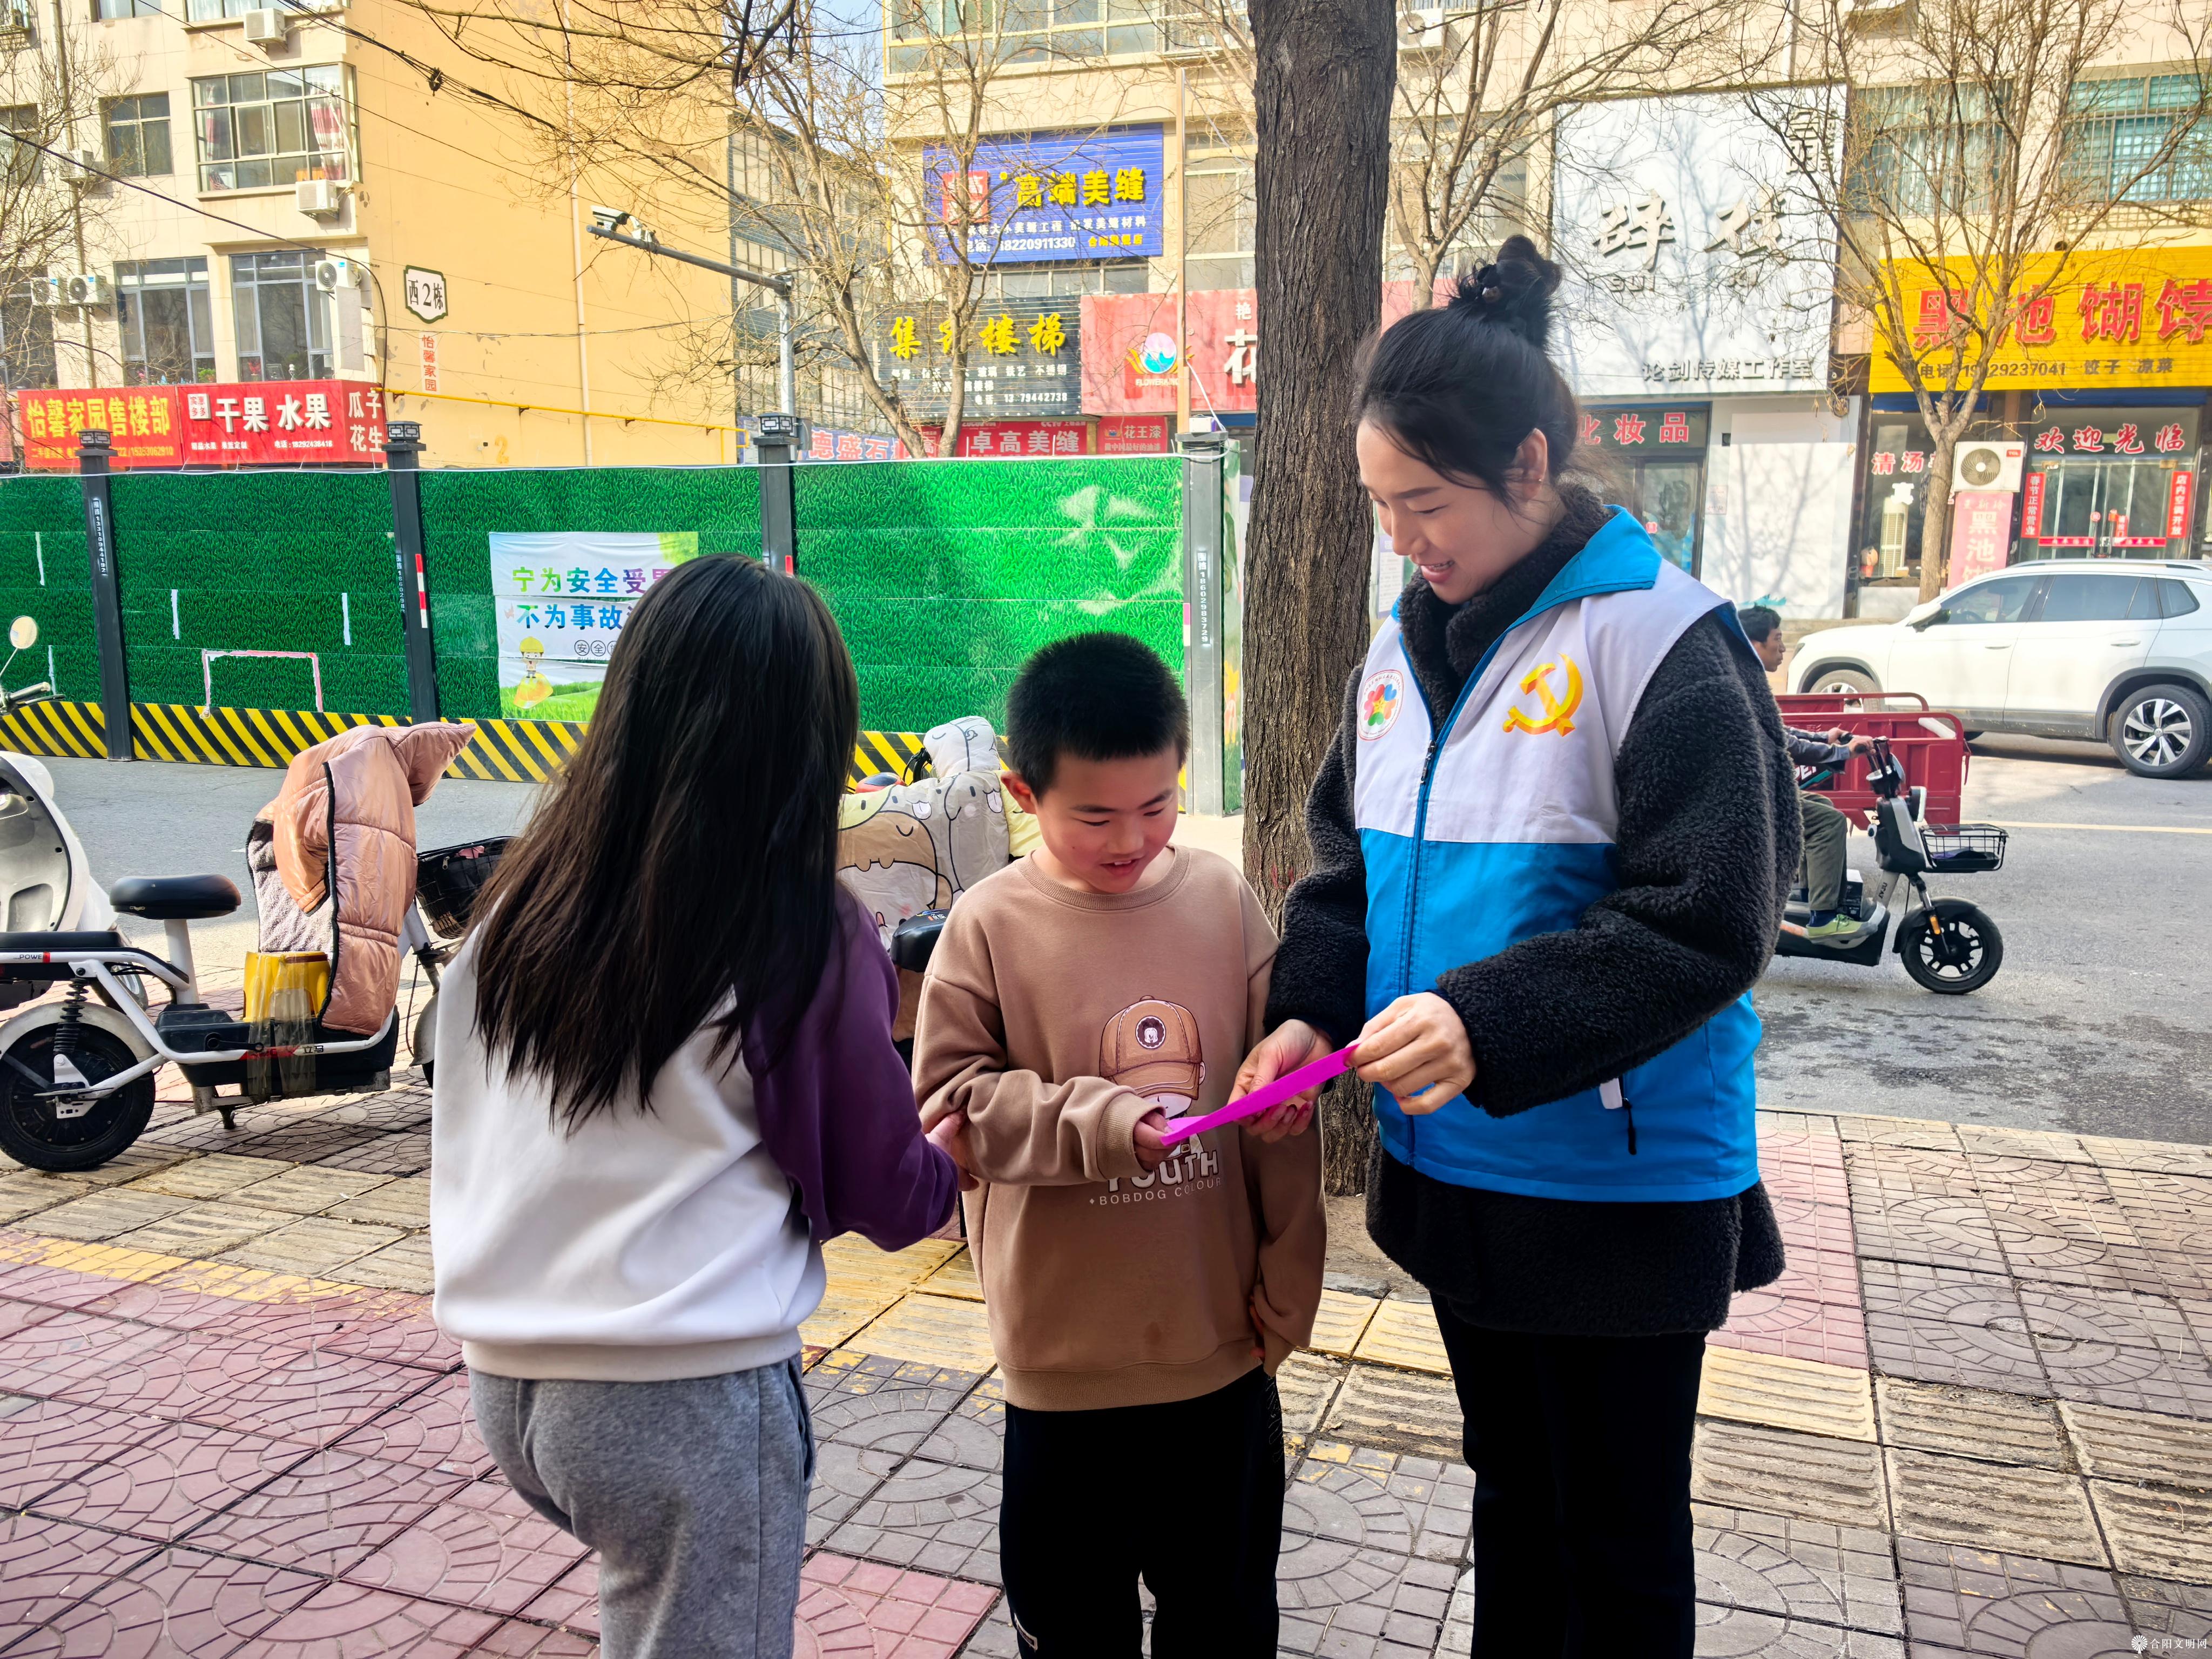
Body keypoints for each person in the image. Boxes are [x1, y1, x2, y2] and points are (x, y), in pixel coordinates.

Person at [1235, 237, 1799, 1658]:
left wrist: (1484, 1020)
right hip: (1459, 1171)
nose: (1404, 539)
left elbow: (1709, 917)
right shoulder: (1396, 656)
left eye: (1425, 504)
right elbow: (1347, 869)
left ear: (1529, 466)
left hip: (1617, 1185)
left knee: (1614, 1535)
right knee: (1513, 1500)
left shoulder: (1661, 640)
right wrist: (1307, 1011)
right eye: (1381, 506)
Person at [430, 556, 961, 1659]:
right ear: (809, 742)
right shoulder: (793, 929)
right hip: (677, 1393)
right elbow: (877, 1181)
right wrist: (945, 1163)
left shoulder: (519, 904)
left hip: (508, 1380)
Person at [914, 632, 1324, 1658]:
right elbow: (953, 1106)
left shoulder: (1222, 902)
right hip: (1061, 1368)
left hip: (1221, 1360)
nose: (1131, 838)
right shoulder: (988, 926)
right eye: (1095, 816)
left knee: (1224, 1625)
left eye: (1158, 804)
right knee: (1072, 1630)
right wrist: (1102, 1125)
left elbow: (1275, 1114)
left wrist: (1289, 1286)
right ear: (1024, 792)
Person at [1741, 606, 1877, 940]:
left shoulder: (1746, 677)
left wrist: (1823, 737)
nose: (1783, 648)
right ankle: (1823, 918)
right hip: (1747, 793)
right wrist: (1843, 752)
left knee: (1823, 807)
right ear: (1756, 644)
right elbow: (1783, 741)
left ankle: (1806, 892)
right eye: (1777, 639)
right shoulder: (1741, 684)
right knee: (1829, 823)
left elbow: (1778, 729)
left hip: (1759, 784)